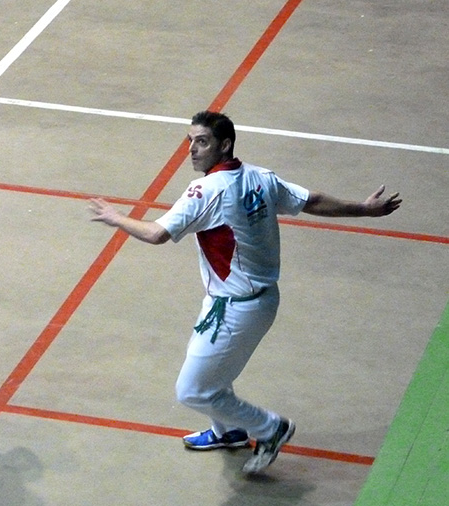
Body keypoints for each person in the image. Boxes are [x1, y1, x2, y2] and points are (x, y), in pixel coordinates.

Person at [88, 110, 401, 473]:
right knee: (212, 374)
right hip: (247, 300)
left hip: (238, 308)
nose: (192, 150)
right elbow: (311, 200)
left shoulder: (205, 191)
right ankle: (230, 432)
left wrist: (115, 218)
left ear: (225, 144)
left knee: (192, 390)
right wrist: (363, 209)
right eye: (189, 141)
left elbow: (157, 234)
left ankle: (271, 428)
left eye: (201, 142)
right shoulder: (259, 177)